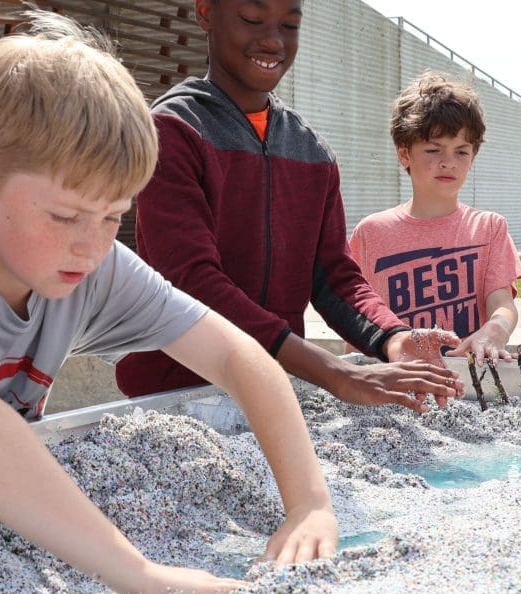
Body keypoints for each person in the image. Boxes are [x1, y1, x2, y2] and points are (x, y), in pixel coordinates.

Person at [0, 9, 337, 594]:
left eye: (114, 215)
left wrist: (308, 503)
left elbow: (237, 354)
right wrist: (138, 574)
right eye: (65, 216)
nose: (92, 246)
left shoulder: (91, 263)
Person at [114, 0, 463, 413]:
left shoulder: (312, 151)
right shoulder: (172, 131)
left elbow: (335, 277)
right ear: (206, 12)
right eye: (251, 19)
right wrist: (336, 373)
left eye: (290, 24)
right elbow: (193, 283)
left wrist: (391, 336)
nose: (273, 40)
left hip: (275, 389)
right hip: (177, 396)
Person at [348, 71, 521, 367]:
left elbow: (502, 304)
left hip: (467, 380)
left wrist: (497, 328)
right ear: (405, 154)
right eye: (433, 149)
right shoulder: (370, 232)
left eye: (462, 151)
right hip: (396, 380)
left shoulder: (490, 228)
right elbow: (358, 320)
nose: (448, 162)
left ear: (474, 157)